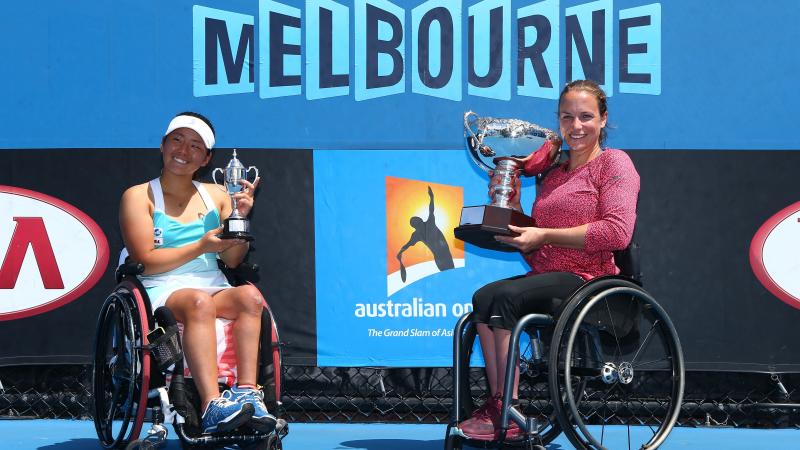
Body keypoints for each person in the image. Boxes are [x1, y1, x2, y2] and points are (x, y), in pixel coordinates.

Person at [457, 80, 640, 441]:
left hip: (590, 278)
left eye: (586, 117)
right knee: (483, 298)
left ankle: (506, 412)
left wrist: (544, 235)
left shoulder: (614, 164)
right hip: (547, 274)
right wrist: (513, 220)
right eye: (567, 117)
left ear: (603, 120)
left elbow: (617, 233)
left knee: (507, 298)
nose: (576, 126)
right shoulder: (552, 174)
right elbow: (536, 240)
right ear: (557, 121)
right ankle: (498, 405)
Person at [119, 112, 276, 435]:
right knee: (199, 303)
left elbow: (232, 262)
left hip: (211, 284)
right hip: (159, 286)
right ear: (163, 146)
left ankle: (248, 392)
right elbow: (145, 260)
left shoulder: (218, 195)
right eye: (177, 140)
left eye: (195, 146)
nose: (183, 150)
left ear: (206, 158)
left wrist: (239, 218)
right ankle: (211, 405)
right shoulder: (137, 196)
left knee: (249, 297)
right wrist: (200, 247)